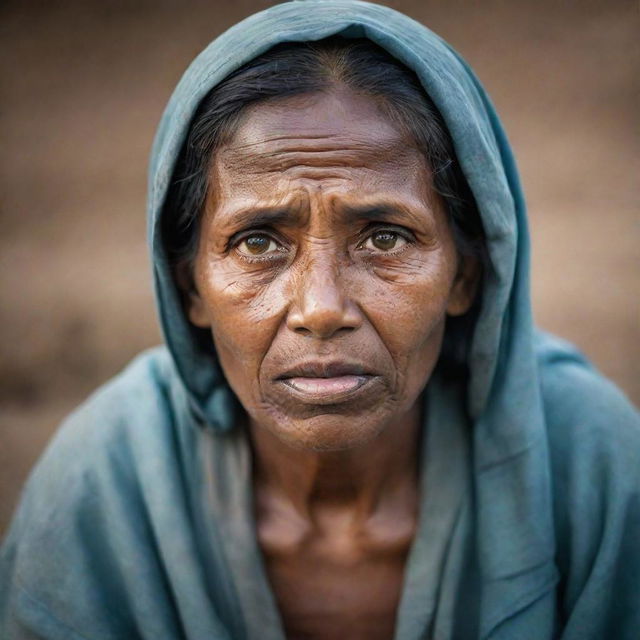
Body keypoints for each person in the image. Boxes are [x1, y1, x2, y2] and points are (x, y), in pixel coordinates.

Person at [1, 1, 638, 638]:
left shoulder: (592, 466)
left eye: (385, 238)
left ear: (468, 274)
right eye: (257, 242)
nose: (321, 308)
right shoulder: (104, 489)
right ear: (187, 284)